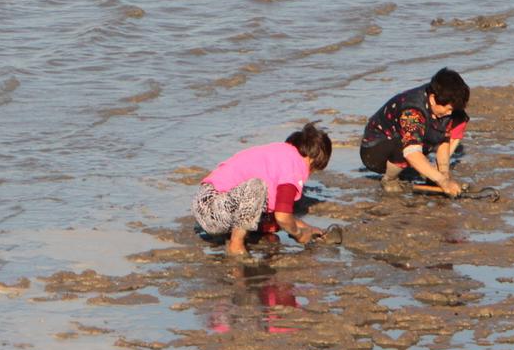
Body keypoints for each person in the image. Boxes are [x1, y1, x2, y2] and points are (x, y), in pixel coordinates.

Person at [194, 124, 333, 255]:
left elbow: (279, 213)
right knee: (257, 187)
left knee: (268, 215)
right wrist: (299, 234)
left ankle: (248, 235)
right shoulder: (294, 165)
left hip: (211, 204)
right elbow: (283, 216)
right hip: (212, 208)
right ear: (314, 159)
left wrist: (308, 228)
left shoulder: (280, 154)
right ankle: (236, 245)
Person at [360, 68, 471, 192]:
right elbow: (411, 152)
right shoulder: (412, 112)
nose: (450, 113)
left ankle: (429, 172)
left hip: (409, 140)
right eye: (449, 109)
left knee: (456, 118)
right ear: (434, 99)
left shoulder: (442, 106)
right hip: (376, 148)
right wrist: (442, 181)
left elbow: (444, 138)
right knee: (406, 144)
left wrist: (444, 174)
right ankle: (389, 179)